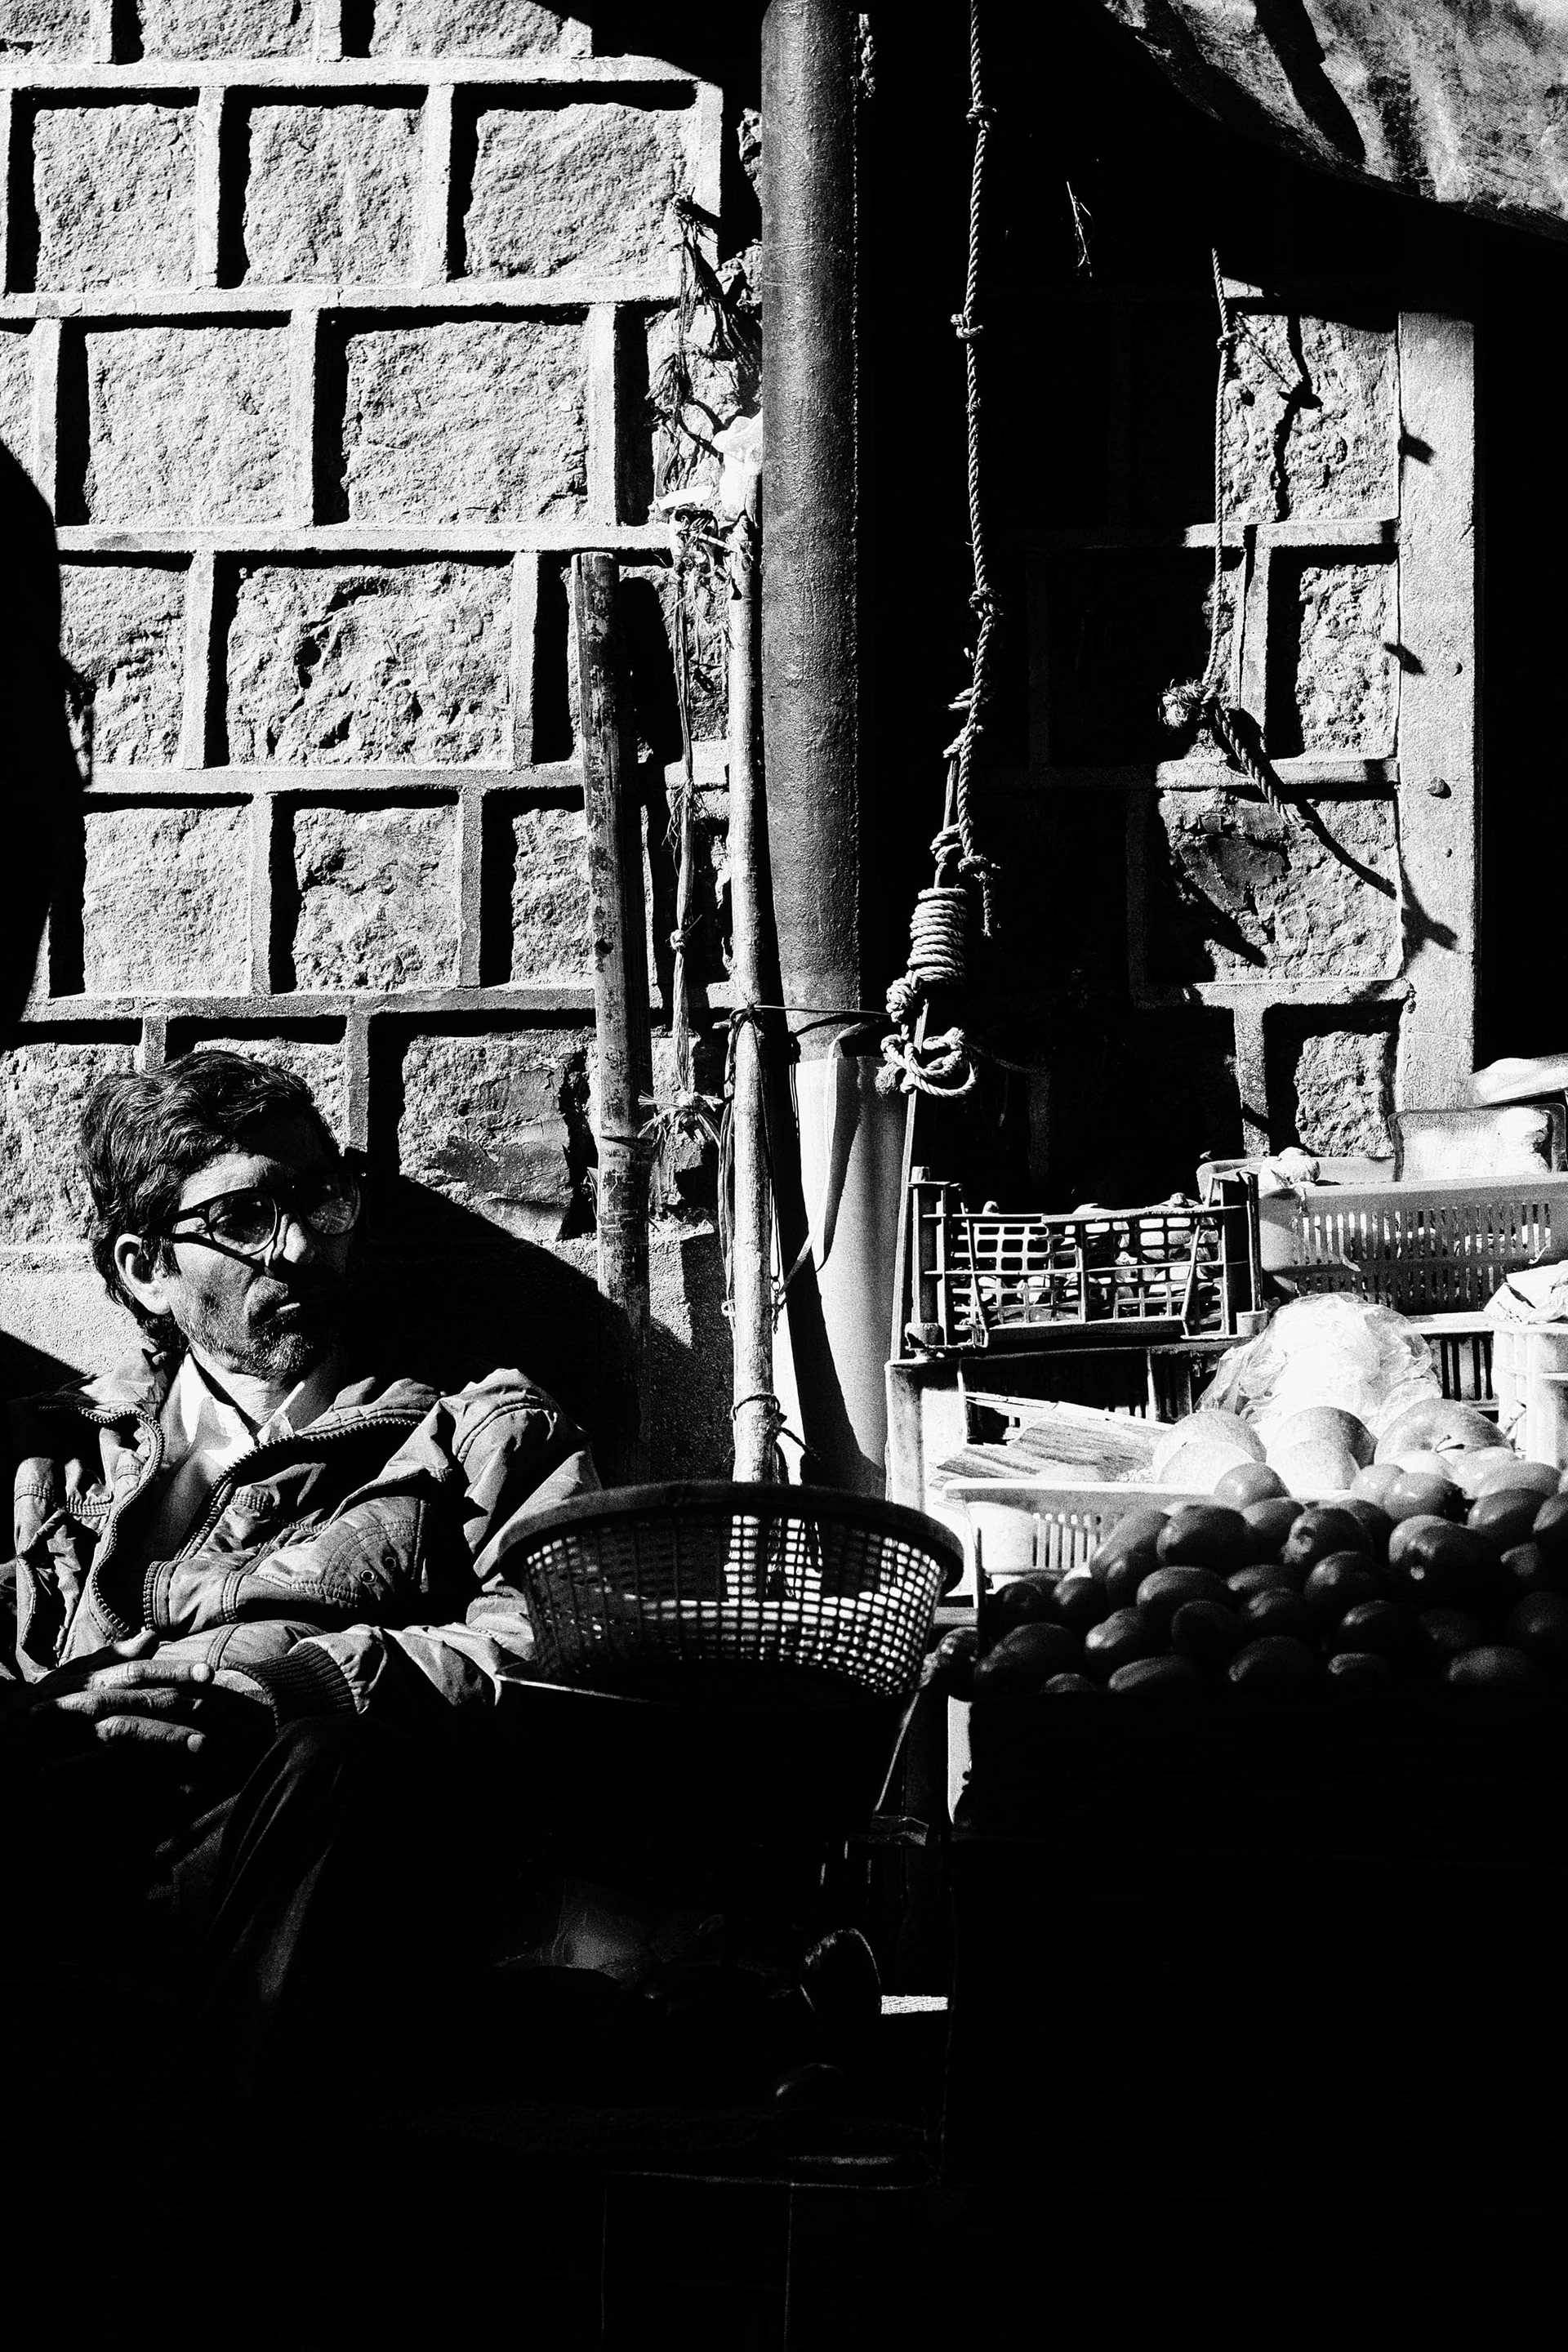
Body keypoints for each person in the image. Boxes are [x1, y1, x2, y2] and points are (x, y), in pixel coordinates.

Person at [0, 1050, 599, 2299]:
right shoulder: (56, 1467)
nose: (301, 1246)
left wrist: (302, 1684)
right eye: (243, 1217)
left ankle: (164, 2282)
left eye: (321, 1200)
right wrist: (51, 1722)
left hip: (318, 1876)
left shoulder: (473, 1430)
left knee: (335, 1766)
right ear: (144, 1268)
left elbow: (560, 1647)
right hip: (85, 1864)